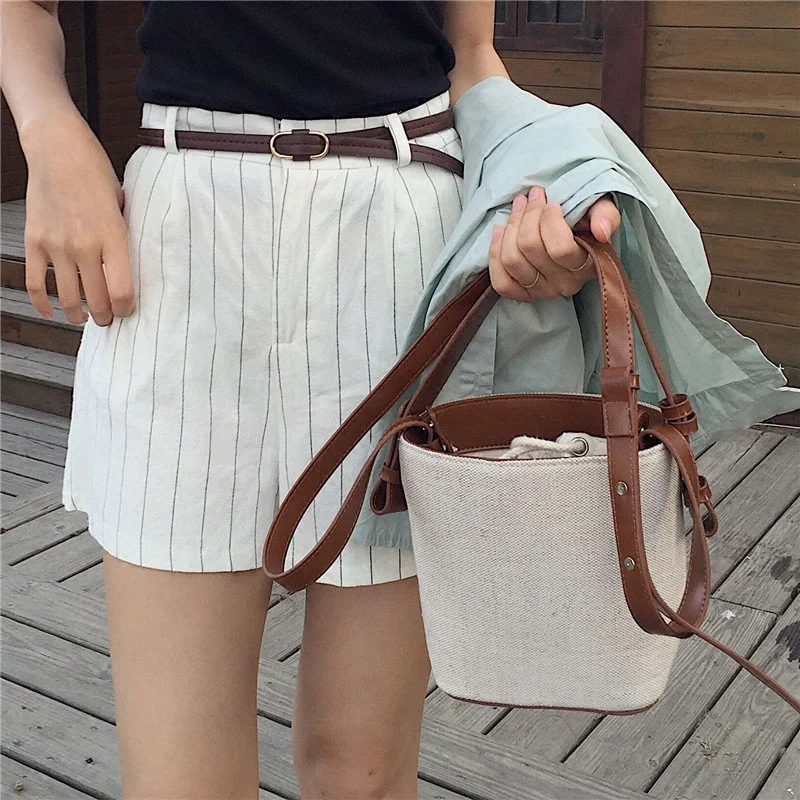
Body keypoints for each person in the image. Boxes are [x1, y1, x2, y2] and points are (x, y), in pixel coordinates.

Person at [1, 2, 620, 797]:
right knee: (177, 779)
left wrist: (535, 201)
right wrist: (49, 129)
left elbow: (470, 54)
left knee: (360, 770)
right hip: (181, 244)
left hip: (403, 252)